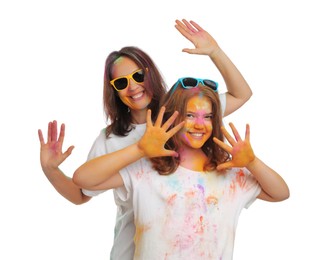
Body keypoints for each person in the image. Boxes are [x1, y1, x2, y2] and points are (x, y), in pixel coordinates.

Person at [38, 19, 253, 259]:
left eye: (138, 76)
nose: (132, 87)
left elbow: (241, 94)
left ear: (149, 74)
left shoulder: (183, 115)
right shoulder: (111, 139)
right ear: (115, 91)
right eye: (121, 82)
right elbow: (81, 193)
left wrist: (215, 52)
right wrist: (51, 170)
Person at [73, 80, 290, 260]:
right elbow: (83, 179)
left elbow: (280, 193)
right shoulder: (146, 170)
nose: (199, 124)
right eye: (189, 115)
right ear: (172, 117)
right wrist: (139, 149)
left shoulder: (229, 174)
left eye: (207, 117)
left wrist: (252, 162)